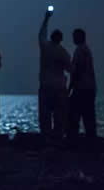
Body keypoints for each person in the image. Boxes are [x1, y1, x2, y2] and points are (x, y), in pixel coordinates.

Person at [38, 10, 71, 139]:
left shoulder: (45, 47)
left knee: (45, 115)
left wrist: (46, 18)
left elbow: (41, 34)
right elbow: (70, 69)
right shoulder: (63, 52)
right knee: (59, 115)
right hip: (59, 87)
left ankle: (46, 137)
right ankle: (57, 137)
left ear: (52, 37)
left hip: (46, 86)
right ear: (61, 39)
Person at [68, 28, 97, 139]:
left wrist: (70, 88)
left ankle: (73, 138)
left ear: (80, 37)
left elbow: (77, 71)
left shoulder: (80, 51)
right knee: (88, 115)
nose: (73, 38)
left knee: (74, 114)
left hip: (81, 88)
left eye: (75, 36)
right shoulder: (86, 50)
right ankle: (91, 138)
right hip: (89, 87)